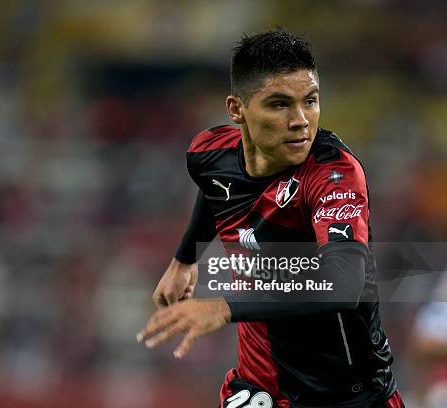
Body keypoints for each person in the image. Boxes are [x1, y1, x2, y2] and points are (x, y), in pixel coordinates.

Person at [137, 31, 405, 408]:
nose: (300, 121)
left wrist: (224, 307)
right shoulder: (209, 152)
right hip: (260, 385)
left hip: (348, 395)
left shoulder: (333, 174)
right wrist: (184, 260)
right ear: (237, 110)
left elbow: (344, 285)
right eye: (280, 104)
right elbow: (215, 187)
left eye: (310, 101)